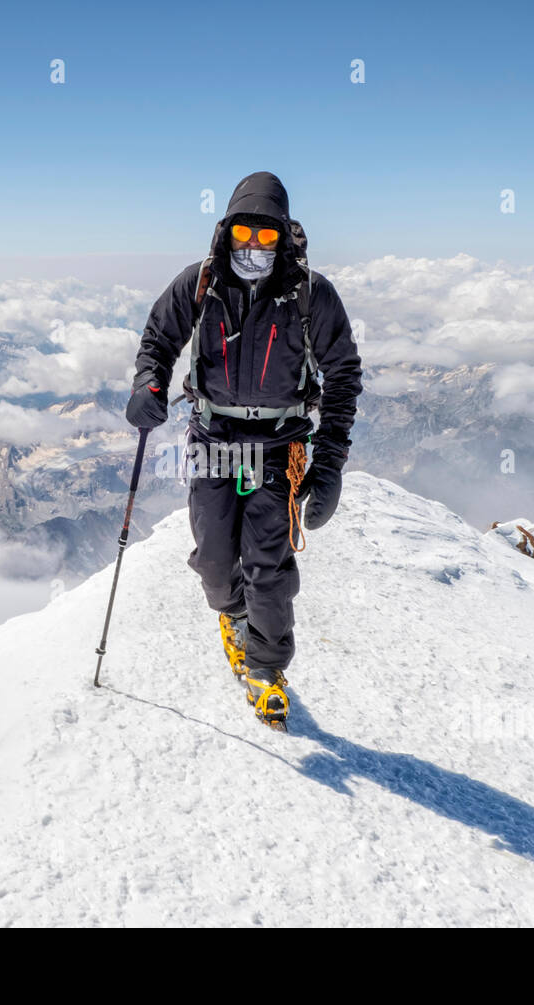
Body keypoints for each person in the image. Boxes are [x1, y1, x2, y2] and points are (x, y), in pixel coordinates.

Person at [125, 171, 362, 729]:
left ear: (284, 236)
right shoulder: (200, 283)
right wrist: (148, 385)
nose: (253, 248)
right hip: (213, 439)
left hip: (280, 446)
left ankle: (267, 669)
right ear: (226, 231)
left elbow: (343, 376)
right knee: (212, 559)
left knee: (268, 566)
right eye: (243, 235)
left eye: (266, 237)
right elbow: (158, 339)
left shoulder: (310, 295)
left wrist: (328, 466)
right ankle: (232, 614)